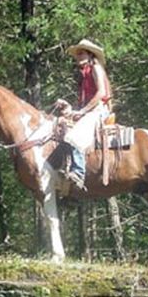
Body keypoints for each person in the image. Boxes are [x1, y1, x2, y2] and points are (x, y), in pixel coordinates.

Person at [63, 39, 113, 189]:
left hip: (100, 109)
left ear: (90, 54)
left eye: (82, 52)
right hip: (91, 110)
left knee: (73, 136)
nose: (78, 56)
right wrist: (70, 109)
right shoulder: (84, 73)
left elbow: (101, 93)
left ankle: (79, 172)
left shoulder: (96, 68)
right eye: (77, 53)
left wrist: (82, 112)